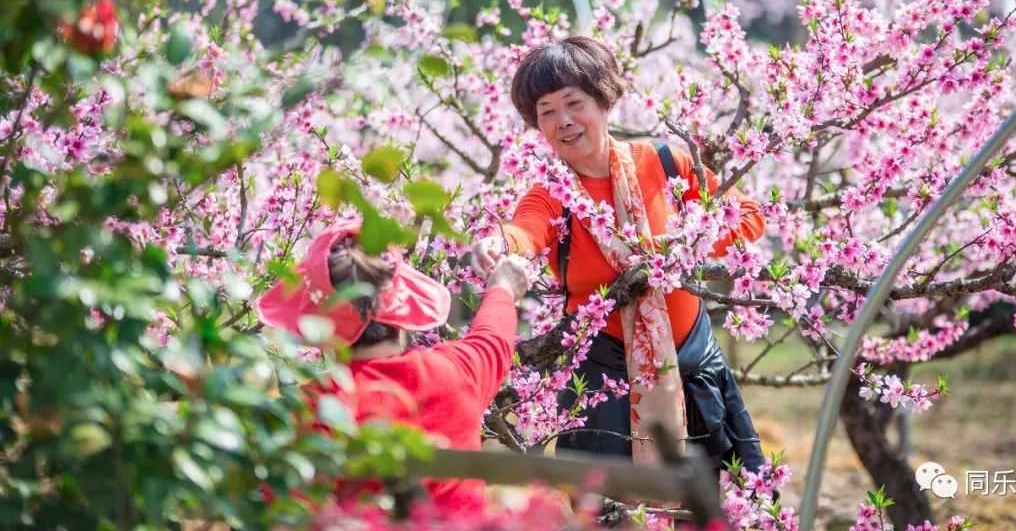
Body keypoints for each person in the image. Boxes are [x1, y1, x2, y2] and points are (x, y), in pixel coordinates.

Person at [472, 35, 767, 476]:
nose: (564, 121)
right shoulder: (550, 194)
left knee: (721, 509)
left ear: (604, 100)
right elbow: (526, 231)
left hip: (695, 369)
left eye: (574, 103)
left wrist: (676, 252)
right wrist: (500, 243)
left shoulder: (667, 164)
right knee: (615, 512)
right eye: (547, 112)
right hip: (604, 381)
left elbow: (746, 216)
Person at [256, 219, 530, 517]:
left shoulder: (307, 410)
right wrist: (502, 288)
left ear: (317, 321)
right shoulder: (457, 372)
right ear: (399, 302)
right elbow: (493, 337)